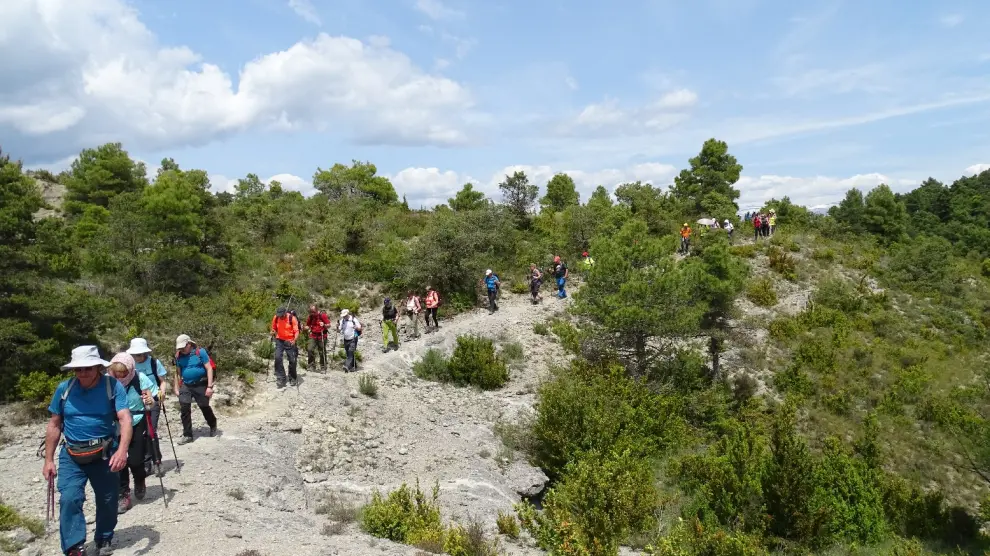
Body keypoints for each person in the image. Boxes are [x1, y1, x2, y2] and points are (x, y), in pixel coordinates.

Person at [43, 345, 131, 556]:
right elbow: (54, 424)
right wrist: (48, 460)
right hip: (72, 453)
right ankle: (74, 547)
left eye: (88, 368)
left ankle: (104, 537)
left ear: (98, 367)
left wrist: (122, 451)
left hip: (104, 452)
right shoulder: (64, 389)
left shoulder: (112, 386)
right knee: (69, 498)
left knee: (108, 499)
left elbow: (125, 419)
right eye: (78, 369)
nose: (82, 373)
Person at [107, 353, 155, 514]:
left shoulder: (140, 378)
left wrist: (149, 401)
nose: (120, 376)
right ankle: (123, 494)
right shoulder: (107, 381)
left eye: (123, 373)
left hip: (137, 421)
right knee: (118, 461)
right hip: (115, 424)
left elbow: (150, 401)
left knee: (135, 460)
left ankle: (139, 479)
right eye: (116, 373)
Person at [126, 338, 166, 471]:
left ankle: (157, 461)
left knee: (150, 431)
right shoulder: (129, 365)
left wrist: (162, 392)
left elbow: (162, 381)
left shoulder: (154, 363)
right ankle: (146, 462)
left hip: (153, 399)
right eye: (135, 355)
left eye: (139, 354)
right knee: (141, 434)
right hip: (137, 404)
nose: (137, 357)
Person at [173, 334, 217, 444]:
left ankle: (212, 424)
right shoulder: (178, 356)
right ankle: (187, 435)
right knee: (184, 407)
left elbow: (209, 368)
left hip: (200, 383)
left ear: (189, 344)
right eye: (180, 348)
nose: (181, 350)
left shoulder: (200, 352)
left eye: (183, 347)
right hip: (186, 384)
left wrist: (209, 387)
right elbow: (177, 373)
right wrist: (177, 387)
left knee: (204, 406)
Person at [270, 307, 300, 388]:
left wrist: (294, 340)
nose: (280, 317)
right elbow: (274, 327)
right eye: (279, 315)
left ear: (285, 313)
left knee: (292, 360)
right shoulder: (276, 317)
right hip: (279, 340)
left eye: (281, 315)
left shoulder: (292, 318)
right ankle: (281, 378)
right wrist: (272, 331)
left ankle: (292, 377)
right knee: (277, 357)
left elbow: (296, 331)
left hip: (290, 341)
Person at [305, 304, 331, 373]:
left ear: (317, 310)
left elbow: (329, 325)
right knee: (310, 349)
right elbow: (307, 325)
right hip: (313, 335)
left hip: (322, 335)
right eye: (311, 312)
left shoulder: (322, 315)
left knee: (322, 351)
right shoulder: (310, 316)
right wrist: (306, 328)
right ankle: (311, 365)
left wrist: (324, 325)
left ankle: (323, 367)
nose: (312, 313)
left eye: (313, 312)